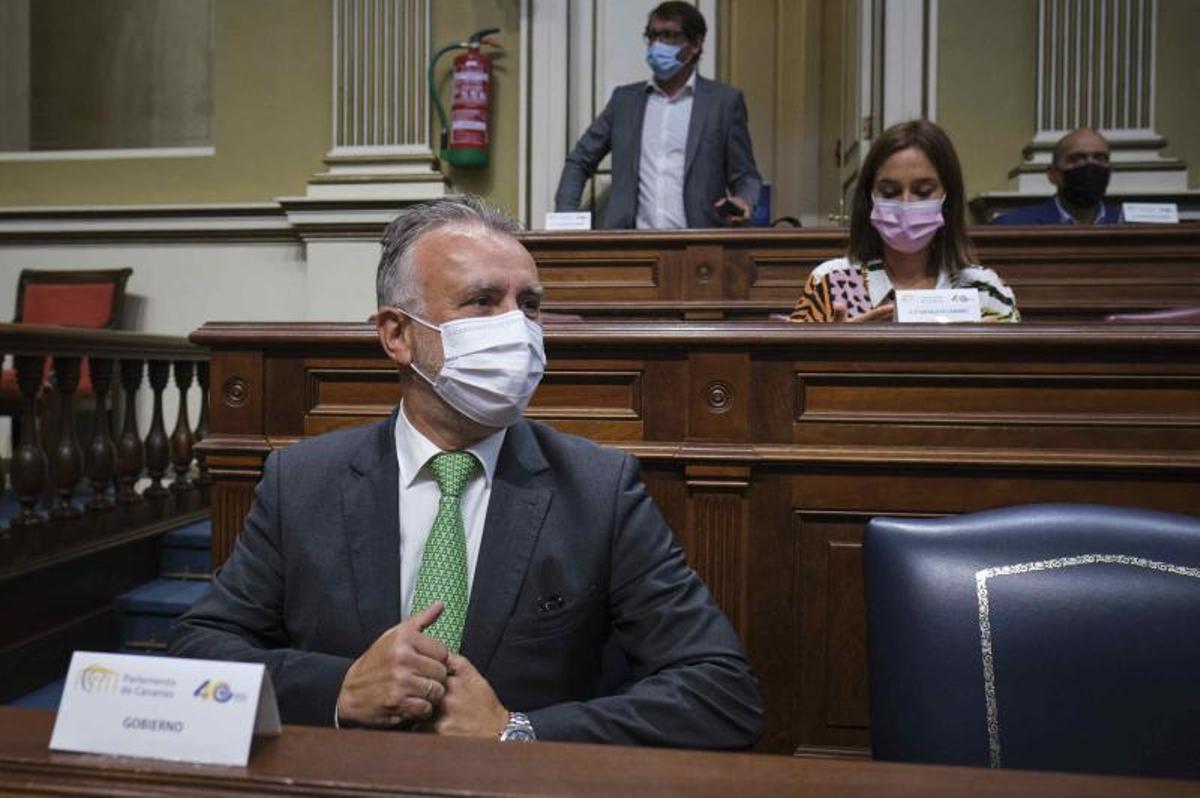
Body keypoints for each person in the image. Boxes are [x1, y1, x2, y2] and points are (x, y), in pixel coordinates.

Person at [169, 195, 762, 749]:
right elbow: (197, 652)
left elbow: (720, 692)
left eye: (529, 305)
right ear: (397, 335)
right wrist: (340, 689)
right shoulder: (303, 481)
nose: (518, 329)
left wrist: (516, 733)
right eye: (483, 302)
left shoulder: (598, 489)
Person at [553, 2, 762, 229]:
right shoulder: (625, 101)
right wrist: (566, 220)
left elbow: (745, 176)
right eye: (653, 36)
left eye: (670, 36)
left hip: (700, 242)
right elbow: (580, 160)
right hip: (633, 245)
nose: (658, 45)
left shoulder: (723, 103)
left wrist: (744, 200)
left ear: (695, 43)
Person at [789, 120, 1019, 323]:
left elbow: (1018, 370)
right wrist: (832, 351)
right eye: (889, 192)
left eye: (923, 191)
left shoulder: (985, 289)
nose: (906, 203)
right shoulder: (832, 283)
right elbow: (790, 368)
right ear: (869, 197)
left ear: (947, 196)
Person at [994, 128, 1121, 225]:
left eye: (1100, 158)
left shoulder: (1129, 223)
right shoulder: (1012, 225)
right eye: (1076, 159)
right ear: (1053, 174)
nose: (1090, 164)